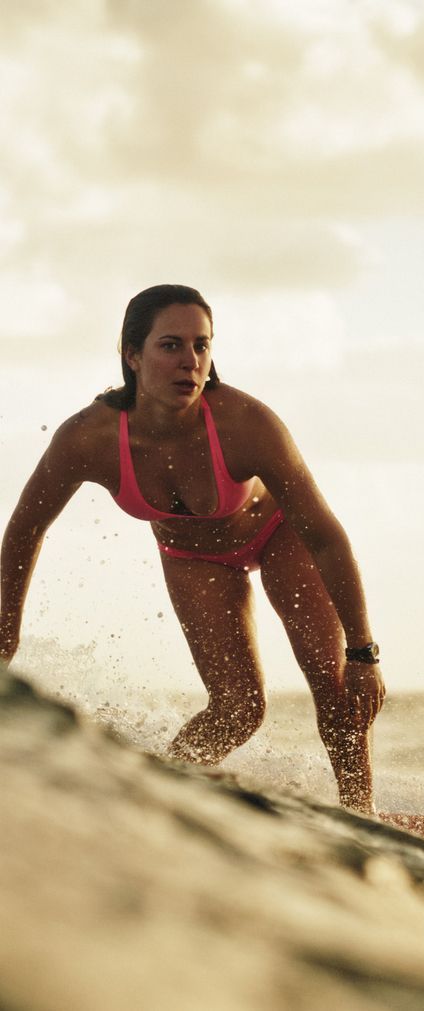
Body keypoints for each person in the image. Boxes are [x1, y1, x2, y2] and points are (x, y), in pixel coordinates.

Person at [0, 284, 385, 813]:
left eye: (202, 345)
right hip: (193, 558)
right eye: (171, 345)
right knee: (237, 708)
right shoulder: (88, 438)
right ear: (132, 355)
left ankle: (362, 818)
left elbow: (324, 535)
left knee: (334, 686)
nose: (191, 361)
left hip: (278, 535)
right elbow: (24, 530)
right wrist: (5, 638)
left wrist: (363, 650)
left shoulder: (246, 424)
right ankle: (158, 804)